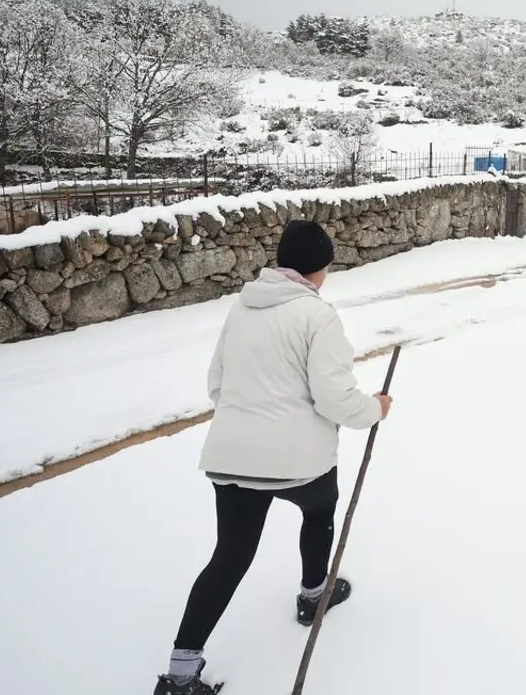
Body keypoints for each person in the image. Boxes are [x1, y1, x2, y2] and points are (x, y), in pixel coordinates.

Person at [153, 219, 394, 695]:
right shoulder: (317, 316)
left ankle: (179, 675)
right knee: (320, 507)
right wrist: (375, 409)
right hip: (296, 465)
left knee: (229, 556)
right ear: (318, 269)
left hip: (229, 460)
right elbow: (335, 400)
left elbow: (217, 385)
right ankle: (312, 596)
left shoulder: (242, 309)